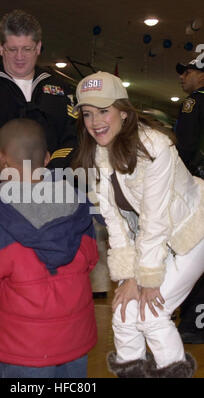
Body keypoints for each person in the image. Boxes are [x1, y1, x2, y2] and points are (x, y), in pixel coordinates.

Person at [72, 71, 204, 378]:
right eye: (88, 113)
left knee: (151, 313)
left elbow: (154, 220)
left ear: (123, 111)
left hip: (192, 231)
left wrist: (145, 276)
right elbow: (115, 225)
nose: (95, 122)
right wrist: (127, 276)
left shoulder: (155, 147)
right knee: (123, 311)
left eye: (103, 111)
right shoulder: (98, 154)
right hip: (158, 241)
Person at [0, 118, 98, 378]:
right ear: (48, 158)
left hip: (23, 350)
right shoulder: (78, 204)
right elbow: (91, 259)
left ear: (2, 160)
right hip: (75, 341)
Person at [0, 9, 77, 209]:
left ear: (38, 47)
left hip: (50, 196)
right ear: (0, 48)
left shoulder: (59, 89)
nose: (20, 57)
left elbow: (72, 138)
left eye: (27, 49)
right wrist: (15, 182)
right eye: (12, 49)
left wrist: (45, 179)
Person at [174, 58, 204, 344]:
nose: (183, 77)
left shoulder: (194, 102)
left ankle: (194, 321)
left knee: (192, 250)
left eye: (189, 71)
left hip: (198, 188)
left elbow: (185, 147)